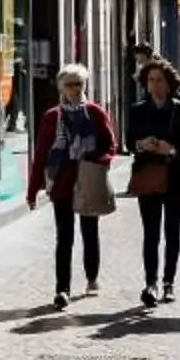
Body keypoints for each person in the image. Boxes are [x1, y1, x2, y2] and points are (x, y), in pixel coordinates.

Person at [28, 63, 117, 310]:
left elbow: (110, 145)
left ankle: (91, 277)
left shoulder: (96, 113)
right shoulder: (52, 117)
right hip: (62, 183)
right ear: (61, 88)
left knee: (90, 231)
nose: (75, 90)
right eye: (70, 85)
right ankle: (62, 289)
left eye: (78, 84)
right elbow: (42, 153)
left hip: (87, 179)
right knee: (64, 237)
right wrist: (33, 188)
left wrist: (99, 162)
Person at [126, 57, 180, 307]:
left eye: (160, 80)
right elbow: (128, 142)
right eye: (151, 80)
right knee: (151, 233)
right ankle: (150, 283)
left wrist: (172, 149)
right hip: (148, 176)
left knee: (172, 232)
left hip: (176, 178)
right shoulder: (137, 110)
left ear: (169, 83)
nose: (155, 85)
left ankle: (169, 282)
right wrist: (141, 145)